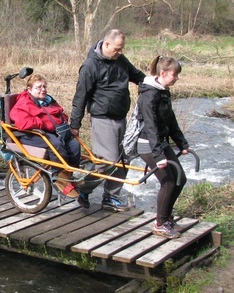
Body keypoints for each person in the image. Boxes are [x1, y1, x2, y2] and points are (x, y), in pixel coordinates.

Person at [70, 29, 146, 211]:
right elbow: (80, 96)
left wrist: (152, 85)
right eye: (117, 49)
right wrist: (75, 124)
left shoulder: (121, 60)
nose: (120, 52)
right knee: (107, 162)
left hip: (121, 117)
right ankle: (82, 188)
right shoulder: (90, 66)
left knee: (123, 159)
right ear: (106, 44)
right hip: (102, 118)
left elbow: (137, 76)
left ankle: (111, 197)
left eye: (122, 49)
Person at [137, 55, 190, 238]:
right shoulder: (149, 94)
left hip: (160, 142)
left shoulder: (163, 91)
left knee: (180, 179)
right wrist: (159, 156)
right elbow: (150, 127)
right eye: (175, 74)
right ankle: (160, 223)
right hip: (147, 145)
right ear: (163, 73)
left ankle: (166, 217)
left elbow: (171, 120)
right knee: (167, 181)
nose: (177, 78)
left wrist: (182, 143)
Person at [9, 73, 80, 198]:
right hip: (31, 134)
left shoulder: (48, 100)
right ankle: (58, 177)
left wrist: (62, 125)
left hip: (52, 131)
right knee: (56, 145)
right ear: (29, 89)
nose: (43, 89)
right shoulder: (24, 102)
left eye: (44, 86)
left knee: (74, 145)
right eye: (38, 87)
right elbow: (23, 122)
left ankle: (69, 174)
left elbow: (61, 114)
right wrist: (46, 124)